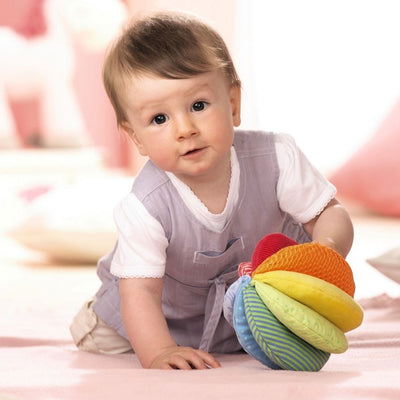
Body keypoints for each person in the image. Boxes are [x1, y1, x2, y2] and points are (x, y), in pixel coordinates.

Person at [70, 11, 354, 370]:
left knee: (277, 332)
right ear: (135, 138)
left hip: (245, 306)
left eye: (198, 106)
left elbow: (329, 213)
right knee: (102, 338)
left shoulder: (277, 159)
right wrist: (159, 352)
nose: (185, 129)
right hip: (163, 313)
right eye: (159, 119)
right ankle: (100, 320)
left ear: (233, 104)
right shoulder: (145, 206)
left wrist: (326, 250)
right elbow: (140, 291)